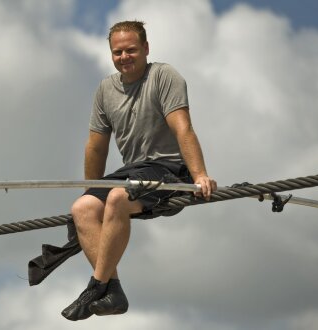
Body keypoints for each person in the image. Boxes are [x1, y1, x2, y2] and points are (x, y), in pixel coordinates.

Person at [61, 20, 217, 321]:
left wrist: (200, 175)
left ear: (146, 48)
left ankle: (95, 287)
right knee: (82, 208)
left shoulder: (163, 76)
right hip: (133, 172)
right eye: (118, 52)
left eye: (131, 50)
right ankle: (113, 292)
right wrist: (91, 191)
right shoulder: (106, 89)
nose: (124, 57)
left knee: (118, 198)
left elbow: (183, 127)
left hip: (170, 170)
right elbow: (96, 146)